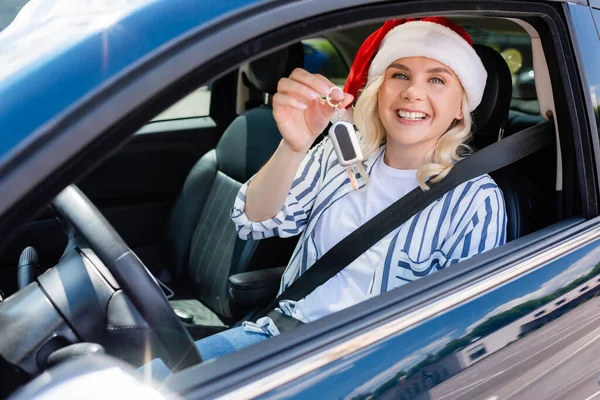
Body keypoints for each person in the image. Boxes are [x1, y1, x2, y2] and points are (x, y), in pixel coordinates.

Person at [142, 16, 506, 381]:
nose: (412, 91)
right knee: (143, 382)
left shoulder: (475, 198)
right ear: (379, 88)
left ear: (461, 107)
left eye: (437, 79)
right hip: (281, 338)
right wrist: (293, 145)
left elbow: (461, 328)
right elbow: (253, 221)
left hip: (373, 372)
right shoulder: (339, 154)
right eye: (399, 75)